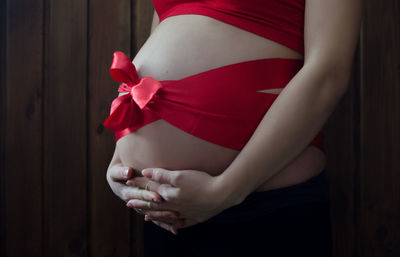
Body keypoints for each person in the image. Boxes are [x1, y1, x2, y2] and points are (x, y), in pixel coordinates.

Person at [105, 0, 362, 256]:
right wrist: (122, 164)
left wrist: (226, 190)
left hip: (266, 207)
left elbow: (329, 73)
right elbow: (159, 56)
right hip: (166, 213)